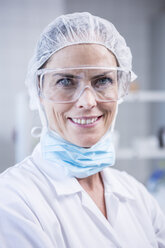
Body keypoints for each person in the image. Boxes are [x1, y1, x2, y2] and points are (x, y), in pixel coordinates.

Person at [0, 12, 165, 248]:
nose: (87, 101)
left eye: (103, 81)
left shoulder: (137, 196)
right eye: (66, 81)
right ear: (39, 91)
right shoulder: (13, 200)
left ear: (121, 87)